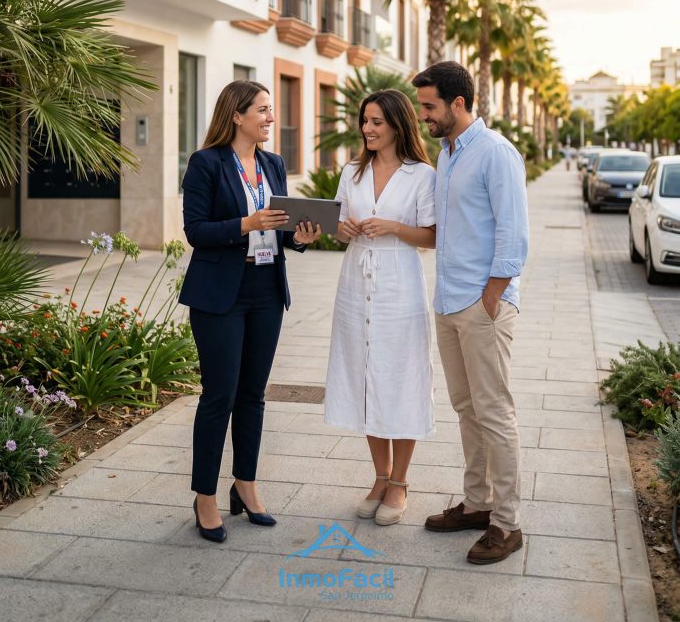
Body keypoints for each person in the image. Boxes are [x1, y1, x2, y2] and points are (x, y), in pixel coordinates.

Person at [179, 80, 322, 543]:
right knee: (218, 394)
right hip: (220, 292)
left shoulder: (273, 164)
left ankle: (246, 483)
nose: (270, 118)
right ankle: (205, 496)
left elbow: (279, 231)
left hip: (265, 288)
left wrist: (299, 236)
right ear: (236, 115)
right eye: (262, 110)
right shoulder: (206, 163)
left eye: (271, 110)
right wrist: (247, 222)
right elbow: (196, 231)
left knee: (253, 394)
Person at [412, 62, 529, 565]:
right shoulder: (448, 153)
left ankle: (507, 523)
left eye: (429, 106)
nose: (423, 116)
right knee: (466, 409)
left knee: (495, 412)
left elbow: (514, 229)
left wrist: (495, 292)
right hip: (448, 300)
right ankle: (479, 504)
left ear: (458, 103)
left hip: (483, 304)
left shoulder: (495, 153)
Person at [324, 89, 436, 526]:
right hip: (355, 284)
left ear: (397, 124)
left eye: (376, 122)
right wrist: (342, 227)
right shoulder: (352, 171)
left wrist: (393, 227)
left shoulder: (421, 175)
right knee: (366, 377)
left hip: (399, 287)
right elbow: (333, 227)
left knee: (400, 378)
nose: (367, 129)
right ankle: (379, 476)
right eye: (364, 121)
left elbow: (432, 236)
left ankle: (401, 482)